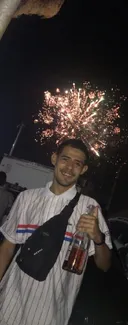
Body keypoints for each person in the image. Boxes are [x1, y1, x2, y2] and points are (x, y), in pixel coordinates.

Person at [0, 139, 112, 325]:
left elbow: (104, 265)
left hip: (52, 313)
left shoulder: (90, 207)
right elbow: (7, 248)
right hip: (9, 303)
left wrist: (98, 237)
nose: (69, 167)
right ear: (54, 158)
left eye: (77, 164)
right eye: (65, 159)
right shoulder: (27, 198)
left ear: (83, 170)